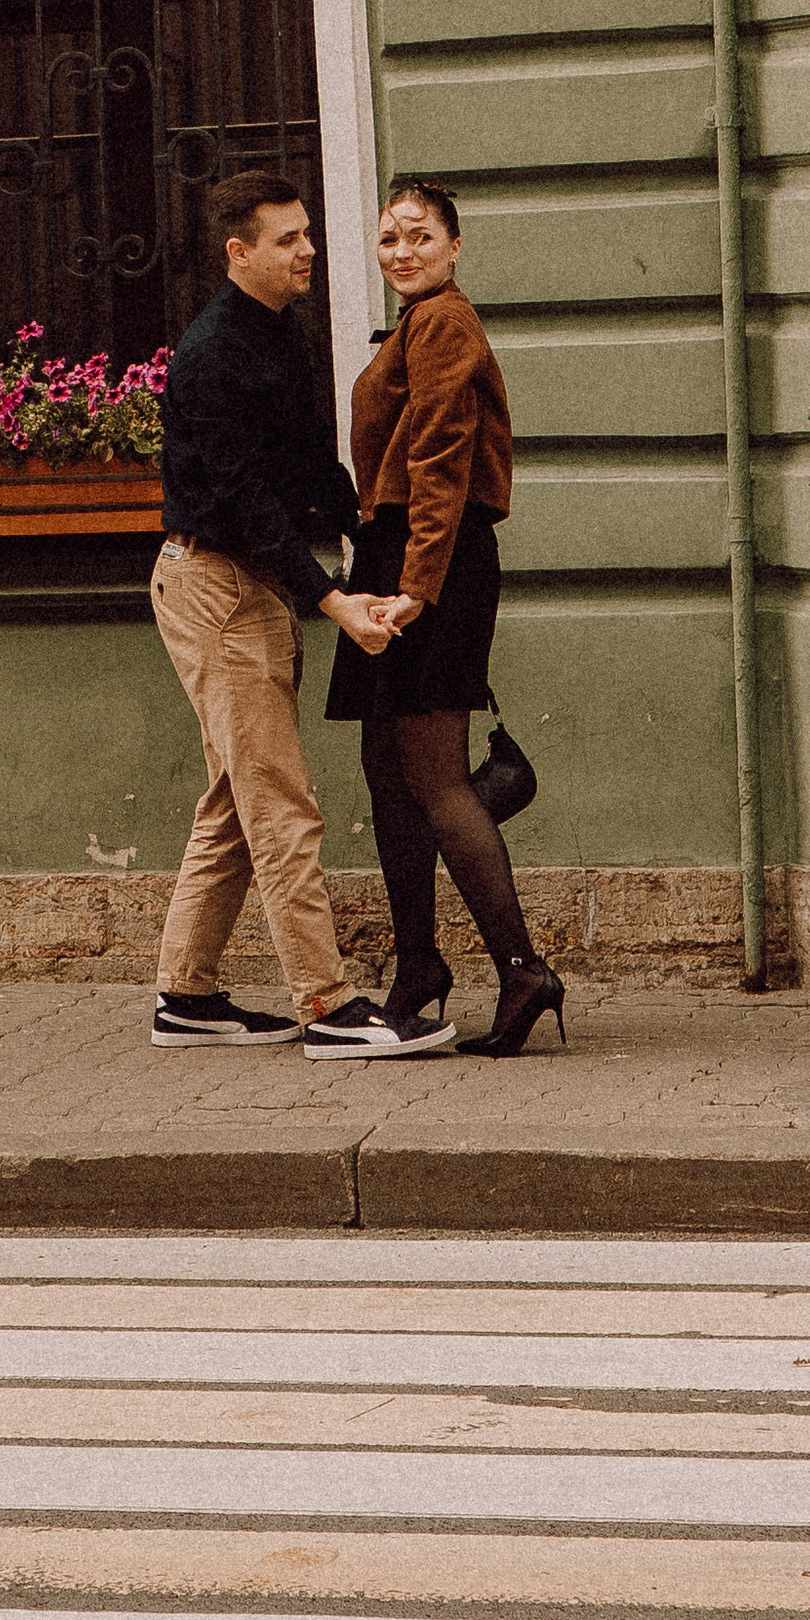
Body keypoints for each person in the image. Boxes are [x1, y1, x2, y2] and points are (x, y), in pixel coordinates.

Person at [148, 172, 429, 1057]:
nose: (309, 249)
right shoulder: (212, 355)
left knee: (235, 802)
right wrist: (332, 597)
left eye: (308, 233)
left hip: (249, 589)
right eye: (288, 240)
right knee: (281, 806)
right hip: (218, 587)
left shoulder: (278, 334)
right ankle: (327, 1006)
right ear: (240, 254)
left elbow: (307, 463)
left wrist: (365, 531)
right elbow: (239, 502)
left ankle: (186, 999)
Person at [329, 174, 567, 1059]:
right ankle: (418, 969)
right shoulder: (415, 324)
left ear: (455, 246)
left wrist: (419, 587)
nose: (403, 252)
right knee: (386, 766)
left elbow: (440, 458)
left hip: (434, 557)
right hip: (399, 553)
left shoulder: (444, 322)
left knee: (432, 774)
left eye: (420, 236)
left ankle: (522, 970)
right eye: (389, 238)